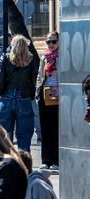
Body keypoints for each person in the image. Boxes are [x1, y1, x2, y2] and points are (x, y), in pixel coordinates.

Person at [0, 35, 39, 151]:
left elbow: (0, 79)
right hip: (24, 98)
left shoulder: (5, 58)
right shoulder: (30, 59)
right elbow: (33, 79)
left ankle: (6, 165)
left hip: (7, 97)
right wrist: (30, 95)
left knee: (5, 136)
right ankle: (24, 165)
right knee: (24, 136)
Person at [38, 32, 59, 170]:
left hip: (60, 96)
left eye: (53, 41)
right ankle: (46, 160)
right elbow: (39, 76)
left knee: (57, 129)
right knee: (45, 129)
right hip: (45, 95)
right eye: (48, 42)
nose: (51, 44)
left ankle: (57, 160)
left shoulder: (63, 57)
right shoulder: (44, 57)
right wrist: (37, 92)